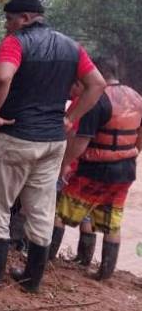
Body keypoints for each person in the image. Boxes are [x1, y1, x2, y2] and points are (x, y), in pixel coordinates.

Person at [0, 0, 105, 293]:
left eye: (10, 19)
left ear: (26, 18)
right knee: (42, 208)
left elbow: (2, 78)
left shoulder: (15, 42)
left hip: (16, 136)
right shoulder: (72, 47)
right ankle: (32, 279)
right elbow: (97, 84)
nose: (6, 26)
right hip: (53, 142)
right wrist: (71, 118)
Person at [51, 56, 142, 280]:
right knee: (112, 221)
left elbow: (81, 141)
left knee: (58, 213)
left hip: (94, 169)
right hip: (126, 170)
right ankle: (103, 273)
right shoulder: (137, 97)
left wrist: (64, 164)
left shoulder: (97, 100)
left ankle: (44, 261)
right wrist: (130, 154)